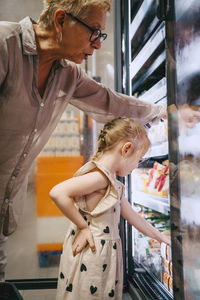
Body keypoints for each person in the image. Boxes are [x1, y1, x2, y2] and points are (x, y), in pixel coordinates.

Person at [0, 0, 167, 281]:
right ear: (61, 20)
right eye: (95, 32)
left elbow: (109, 101)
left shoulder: (67, 74)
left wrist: (163, 113)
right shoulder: (5, 45)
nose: (98, 44)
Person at [50, 117, 171, 300]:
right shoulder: (100, 177)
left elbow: (133, 216)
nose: (137, 165)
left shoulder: (111, 180)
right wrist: (82, 226)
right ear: (126, 149)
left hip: (102, 255)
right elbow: (58, 192)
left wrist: (161, 237)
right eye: (139, 159)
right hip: (92, 254)